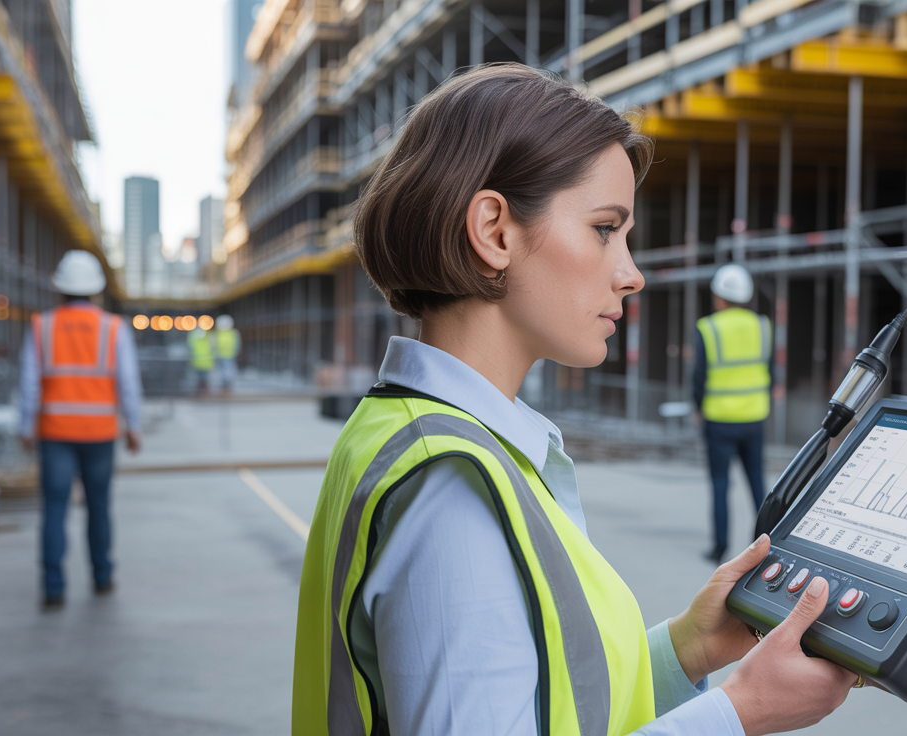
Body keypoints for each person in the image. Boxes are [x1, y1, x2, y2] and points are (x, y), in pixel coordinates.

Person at [292, 64, 861, 736]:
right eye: (604, 229)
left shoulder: (417, 433)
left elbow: (554, 700)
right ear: (495, 232)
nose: (632, 274)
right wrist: (740, 713)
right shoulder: (452, 483)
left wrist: (689, 647)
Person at [18, 250, 143, 610]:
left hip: (55, 432)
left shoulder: (42, 326)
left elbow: (29, 383)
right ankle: (102, 577)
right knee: (99, 508)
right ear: (96, 290)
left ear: (59, 288)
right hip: (99, 433)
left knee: (55, 509)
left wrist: (26, 426)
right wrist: (133, 426)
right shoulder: (113, 328)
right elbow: (128, 383)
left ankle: (53, 587)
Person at [692, 264, 771, 564]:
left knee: (720, 483)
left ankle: (720, 548)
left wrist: (698, 407)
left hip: (719, 419)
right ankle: (765, 544)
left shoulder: (709, 328)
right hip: (754, 417)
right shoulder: (762, 326)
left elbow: (699, 376)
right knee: (757, 483)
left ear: (718, 296)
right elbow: (769, 370)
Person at [212, 314, 241, 393]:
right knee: (222, 371)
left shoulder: (232, 333)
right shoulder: (231, 333)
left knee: (228, 371)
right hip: (222, 355)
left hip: (228, 355)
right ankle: (224, 385)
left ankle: (227, 385)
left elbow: (237, 344)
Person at [186, 326, 214, 395]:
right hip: (203, 362)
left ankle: (201, 393)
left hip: (200, 362)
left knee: (202, 380)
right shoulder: (208, 336)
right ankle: (202, 393)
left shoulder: (193, 336)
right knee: (202, 380)